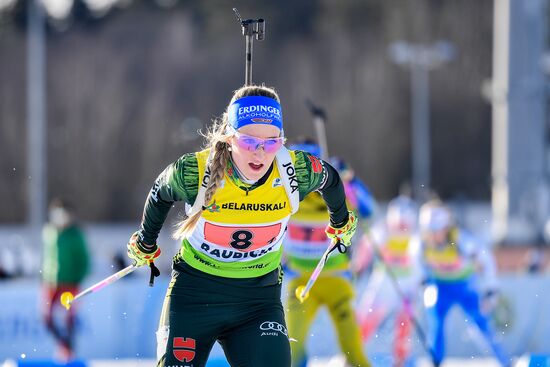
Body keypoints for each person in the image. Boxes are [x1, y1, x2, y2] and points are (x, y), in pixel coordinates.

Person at [125, 85, 358, 367]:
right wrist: (146, 242)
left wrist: (340, 222)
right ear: (229, 137)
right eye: (249, 142)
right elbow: (160, 191)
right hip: (195, 296)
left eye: (272, 143)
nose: (260, 153)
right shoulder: (196, 171)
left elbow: (331, 180)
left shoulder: (293, 171)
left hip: (257, 303)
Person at [283, 139, 373, 367]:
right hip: (302, 282)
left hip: (337, 280)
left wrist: (351, 180)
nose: (301, 179)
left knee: (353, 350)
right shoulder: (283, 195)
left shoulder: (338, 191)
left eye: (307, 169)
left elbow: (368, 209)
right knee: (292, 349)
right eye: (295, 170)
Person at [417, 199, 510, 367]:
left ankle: (505, 362)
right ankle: (435, 362)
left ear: (446, 227)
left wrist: (491, 288)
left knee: (480, 324)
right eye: (429, 230)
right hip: (439, 287)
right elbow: (415, 265)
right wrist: (423, 282)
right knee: (436, 326)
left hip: (465, 287)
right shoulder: (421, 244)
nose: (433, 235)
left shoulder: (462, 241)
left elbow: (486, 260)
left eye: (437, 230)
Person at [355, 194, 423, 367]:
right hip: (383, 285)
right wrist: (360, 265)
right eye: (398, 226)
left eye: (404, 227)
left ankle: (401, 361)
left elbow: (419, 257)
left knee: (404, 328)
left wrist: (423, 279)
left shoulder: (416, 237)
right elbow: (366, 246)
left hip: (406, 288)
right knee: (364, 322)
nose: (401, 230)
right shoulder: (382, 232)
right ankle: (352, 355)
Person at [42, 198, 90, 361]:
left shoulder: (76, 234)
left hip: (70, 282)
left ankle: (69, 353)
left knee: (69, 320)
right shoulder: (49, 231)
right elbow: (47, 256)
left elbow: (84, 260)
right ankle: (64, 347)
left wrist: (78, 278)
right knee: (47, 318)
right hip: (50, 282)